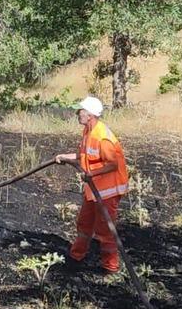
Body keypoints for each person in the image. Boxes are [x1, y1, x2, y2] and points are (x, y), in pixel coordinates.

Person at [54, 96, 129, 274]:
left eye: (80, 111)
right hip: (94, 188)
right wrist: (64, 156)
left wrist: (91, 174)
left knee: (105, 229)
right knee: (84, 222)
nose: (77, 114)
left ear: (90, 115)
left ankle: (110, 268)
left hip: (108, 190)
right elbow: (83, 156)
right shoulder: (88, 131)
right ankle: (76, 256)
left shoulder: (103, 137)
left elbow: (112, 164)